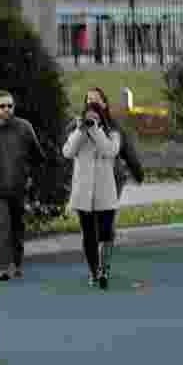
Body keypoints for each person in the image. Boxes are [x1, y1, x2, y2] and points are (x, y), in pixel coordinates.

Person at [0, 90, 45, 281]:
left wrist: (31, 178)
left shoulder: (24, 128)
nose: (6, 110)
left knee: (17, 227)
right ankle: (3, 268)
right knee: (1, 227)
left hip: (18, 187)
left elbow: (38, 157)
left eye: (10, 106)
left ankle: (17, 262)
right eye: (2, 106)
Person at [63, 99, 121, 289]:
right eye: (88, 118)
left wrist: (96, 130)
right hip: (83, 194)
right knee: (88, 236)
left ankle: (104, 270)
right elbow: (67, 152)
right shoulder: (77, 133)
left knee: (106, 233)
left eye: (95, 118)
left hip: (105, 193)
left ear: (101, 118)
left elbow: (110, 151)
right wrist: (80, 131)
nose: (91, 121)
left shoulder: (112, 134)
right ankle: (93, 272)